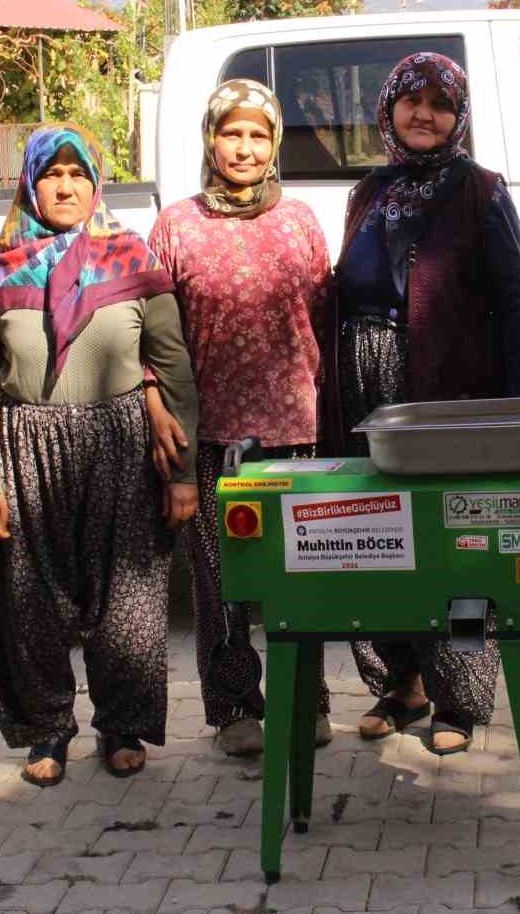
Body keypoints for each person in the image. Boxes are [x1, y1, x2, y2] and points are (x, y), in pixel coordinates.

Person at [0, 124, 199, 787]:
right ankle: (47, 731)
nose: (65, 187)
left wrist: (182, 471)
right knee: (31, 601)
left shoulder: (131, 258)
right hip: (26, 443)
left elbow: (173, 366)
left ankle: (121, 727)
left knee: (125, 597)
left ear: (96, 183)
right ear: (29, 184)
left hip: (121, 439)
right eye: (51, 175)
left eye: (78, 174)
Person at [325, 51, 520, 756]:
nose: (425, 115)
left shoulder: (482, 190)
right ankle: (401, 682)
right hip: (366, 387)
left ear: (458, 116)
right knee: (379, 536)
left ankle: (462, 699)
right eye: (411, 101)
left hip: (446, 394)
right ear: (387, 110)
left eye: (440, 104)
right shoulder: (370, 191)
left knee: (455, 542)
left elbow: (514, 306)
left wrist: (512, 416)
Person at [147, 79, 336, 757]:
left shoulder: (301, 221)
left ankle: (308, 700)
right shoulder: (176, 226)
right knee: (220, 581)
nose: (245, 148)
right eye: (232, 133)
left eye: (258, 134)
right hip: (212, 434)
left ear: (275, 142)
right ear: (210, 139)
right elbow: (157, 335)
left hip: (295, 430)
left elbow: (322, 319)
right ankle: (232, 710)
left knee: (302, 575)